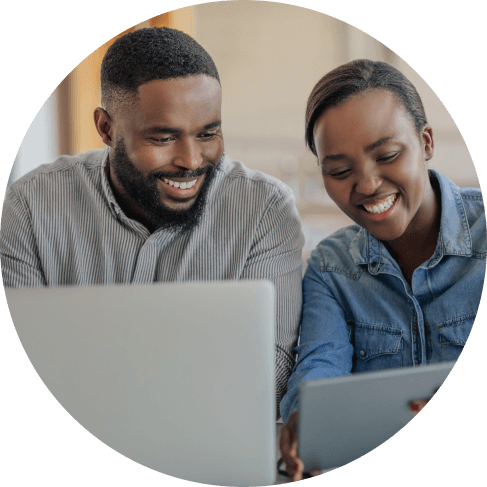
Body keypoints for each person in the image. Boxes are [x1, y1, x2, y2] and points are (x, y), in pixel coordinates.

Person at [0, 27, 305, 420]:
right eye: (163, 138)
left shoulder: (265, 207)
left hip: (213, 438)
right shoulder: (30, 205)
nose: (192, 160)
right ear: (107, 129)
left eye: (208, 133)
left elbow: (272, 368)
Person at [279, 59, 486, 480]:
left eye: (387, 155)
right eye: (339, 171)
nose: (369, 185)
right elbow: (320, 364)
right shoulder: (329, 267)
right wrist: (306, 417)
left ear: (426, 142)